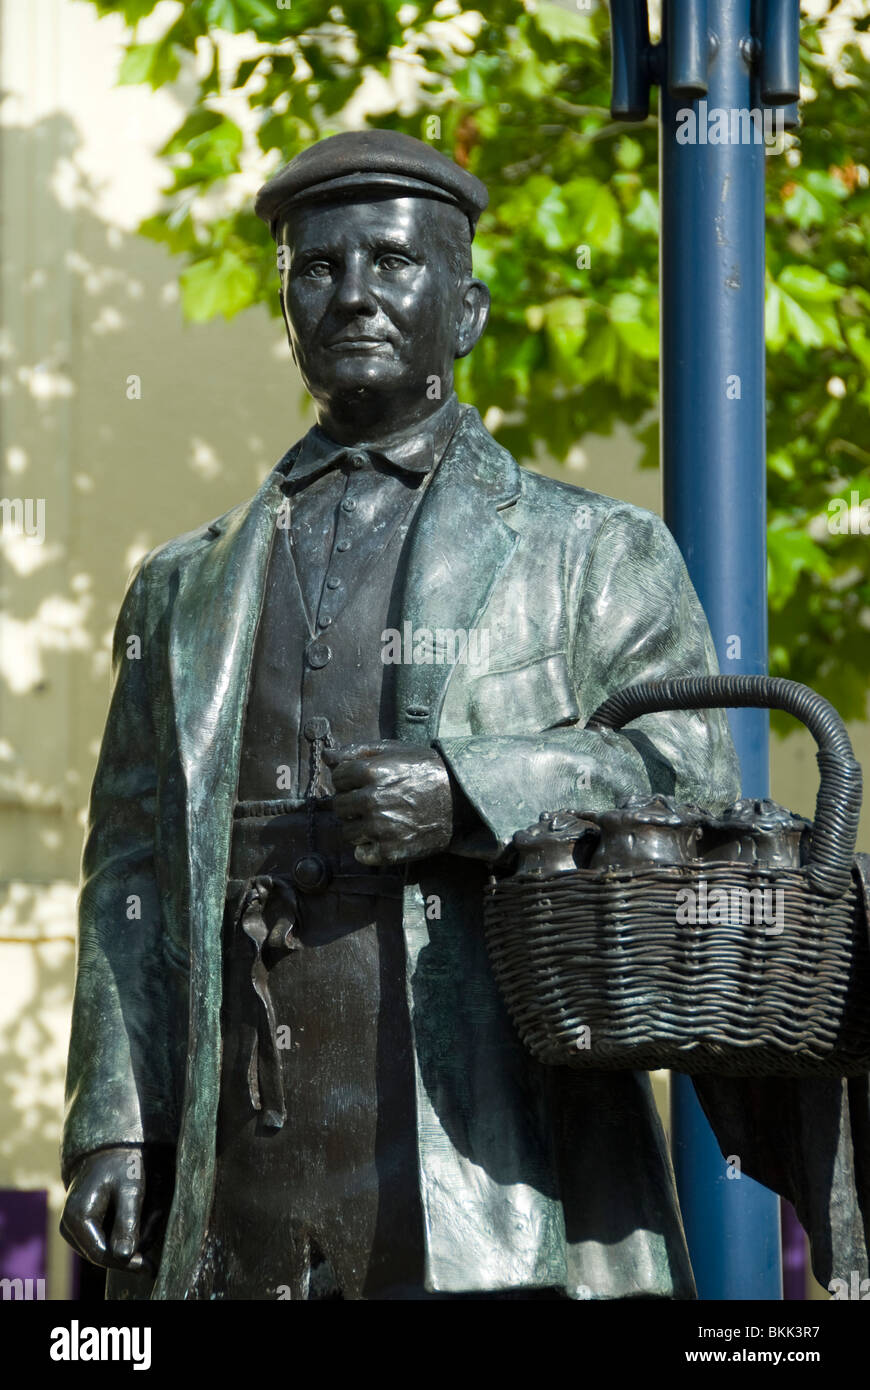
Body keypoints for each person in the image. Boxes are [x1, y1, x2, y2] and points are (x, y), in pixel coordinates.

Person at [60, 130, 748, 1300]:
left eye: (393, 260)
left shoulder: (592, 550)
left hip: (492, 1154)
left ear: (467, 312)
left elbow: (691, 779)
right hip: (242, 1160)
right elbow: (130, 861)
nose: (354, 294)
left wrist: (473, 786)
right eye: (317, 270)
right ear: (286, 307)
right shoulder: (180, 585)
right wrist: (116, 1119)